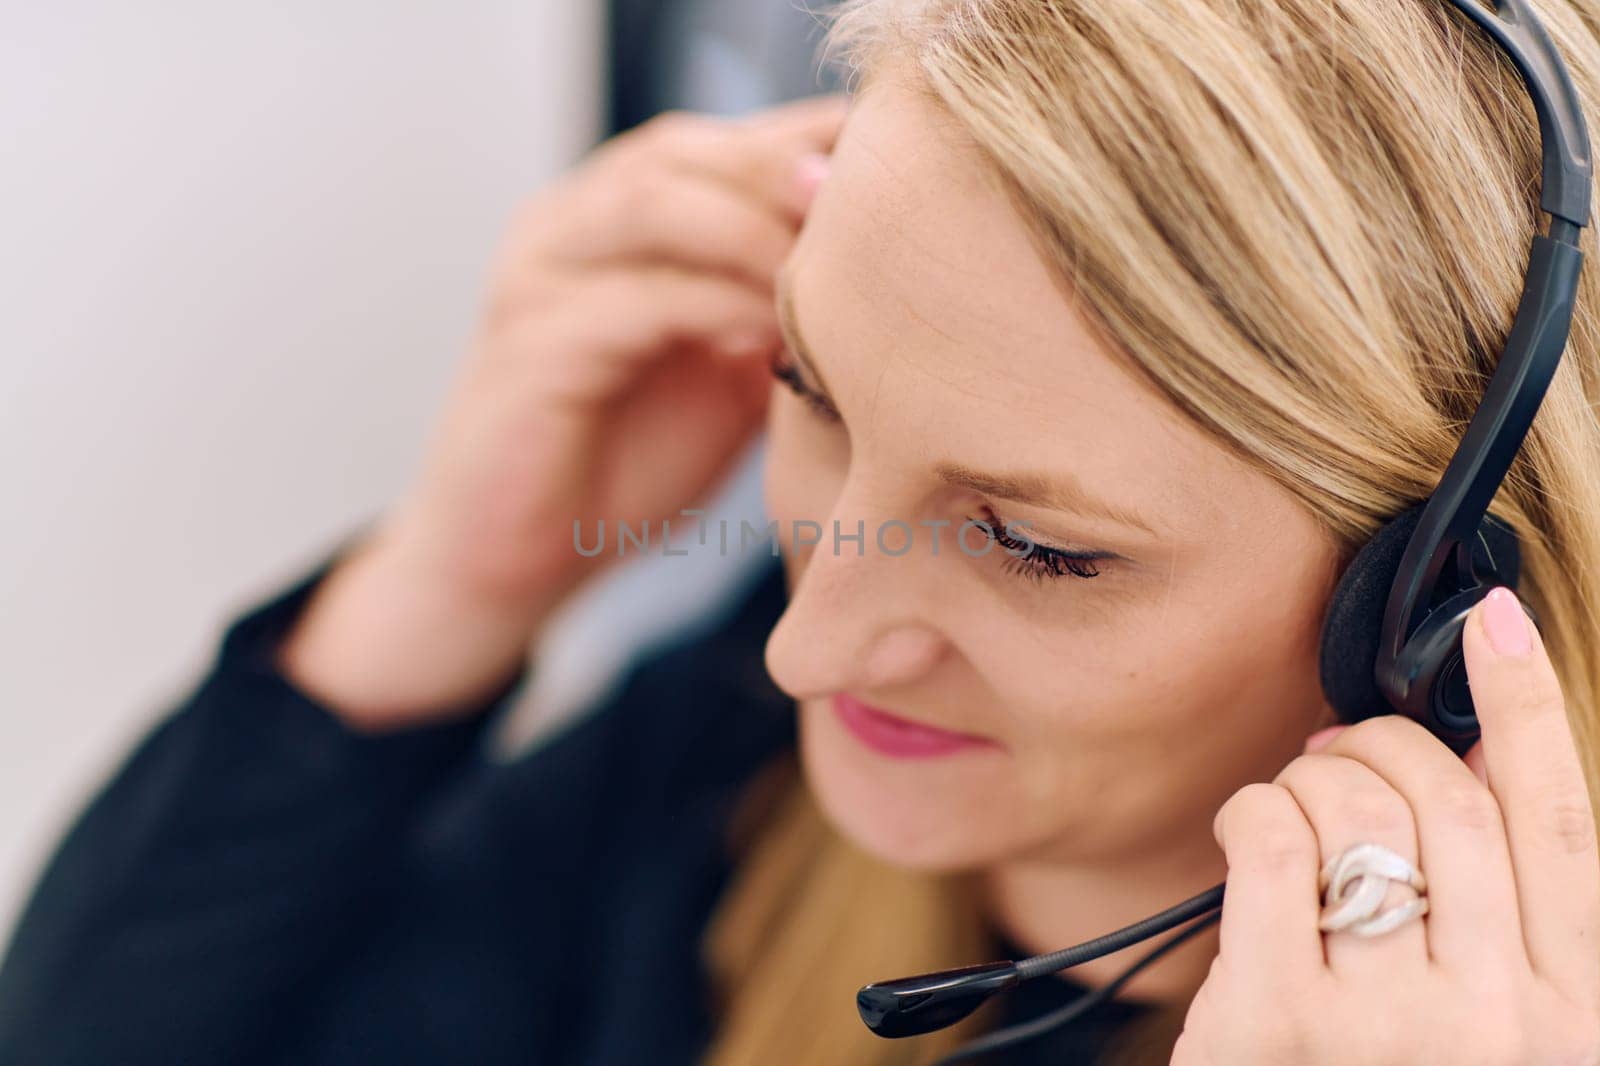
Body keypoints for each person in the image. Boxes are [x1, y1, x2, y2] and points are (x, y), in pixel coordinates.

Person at [4, 0, 1600, 1063]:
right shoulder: (730, 764)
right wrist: (449, 585)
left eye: (1038, 545)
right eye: (809, 388)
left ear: (1439, 610)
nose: (808, 637)